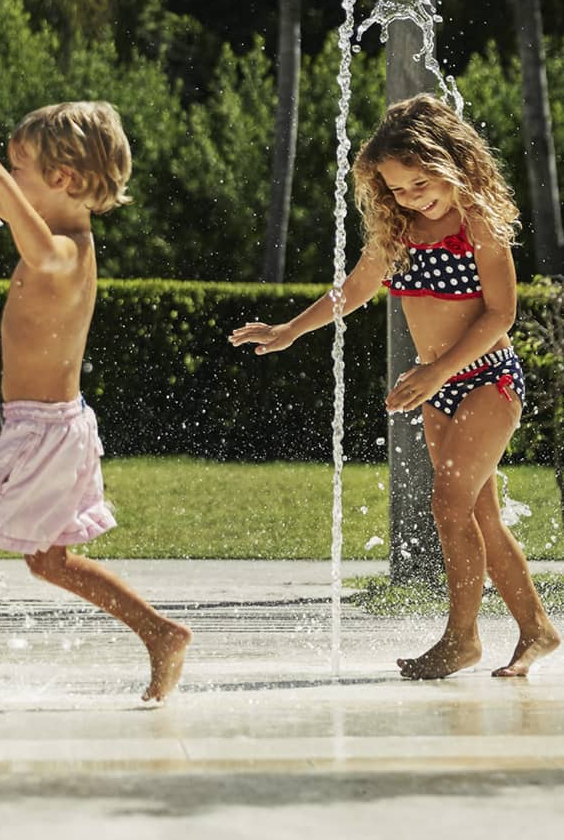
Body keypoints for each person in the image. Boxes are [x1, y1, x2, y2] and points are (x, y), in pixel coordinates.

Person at [0, 81, 191, 713]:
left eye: (20, 168)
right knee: (50, 561)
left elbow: (22, 224)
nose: (7, 180)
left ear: (64, 178)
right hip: (57, 426)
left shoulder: (64, 251)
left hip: (41, 433)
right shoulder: (50, 229)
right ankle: (162, 635)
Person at [232, 93, 558, 681]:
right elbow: (352, 289)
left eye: (420, 182)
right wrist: (290, 329)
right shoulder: (399, 231)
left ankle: (462, 639)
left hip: (488, 379)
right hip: (437, 388)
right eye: (398, 189)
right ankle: (536, 628)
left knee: (448, 503)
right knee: (477, 513)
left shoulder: (477, 222)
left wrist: (436, 370)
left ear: (451, 161)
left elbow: (500, 316)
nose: (411, 196)